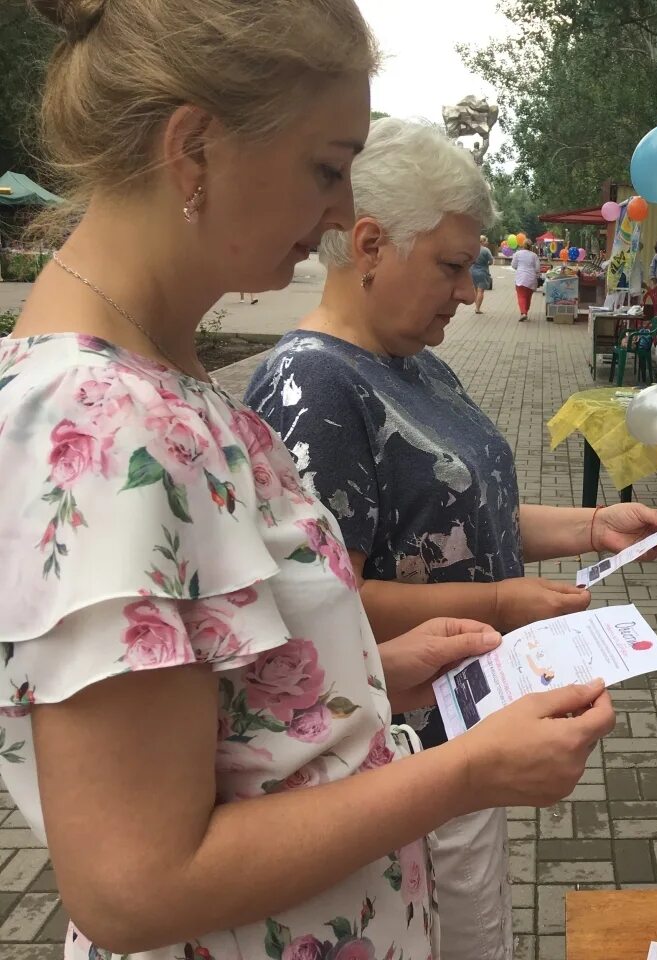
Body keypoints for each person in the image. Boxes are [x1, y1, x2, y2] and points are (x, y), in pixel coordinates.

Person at [0, 6, 615, 960]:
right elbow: (135, 882)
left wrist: (359, 681)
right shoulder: (107, 420)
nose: (339, 216)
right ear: (194, 149)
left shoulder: (157, 382)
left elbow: (219, 691)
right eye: (327, 169)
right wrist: (466, 774)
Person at [245, 118, 657, 960]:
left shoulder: (415, 362)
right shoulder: (315, 385)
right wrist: (502, 600)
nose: (472, 290)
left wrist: (592, 525)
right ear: (368, 244)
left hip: (459, 738)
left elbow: (465, 520)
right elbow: (325, 606)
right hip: (398, 762)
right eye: (451, 265)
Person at [511, 239, 538, 321]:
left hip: (520, 277)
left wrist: (518, 268)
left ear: (523, 245)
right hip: (531, 278)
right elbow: (537, 269)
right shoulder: (534, 255)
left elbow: (513, 265)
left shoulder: (517, 254)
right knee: (528, 297)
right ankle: (525, 312)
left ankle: (523, 313)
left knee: (521, 296)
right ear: (531, 246)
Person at [470, 235, 494, 314]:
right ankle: (477, 308)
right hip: (482, 272)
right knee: (480, 291)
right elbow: (491, 261)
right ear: (482, 241)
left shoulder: (472, 249)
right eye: (486, 241)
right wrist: (487, 263)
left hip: (472, 271)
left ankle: (476, 305)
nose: (487, 242)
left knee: (474, 289)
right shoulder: (486, 250)